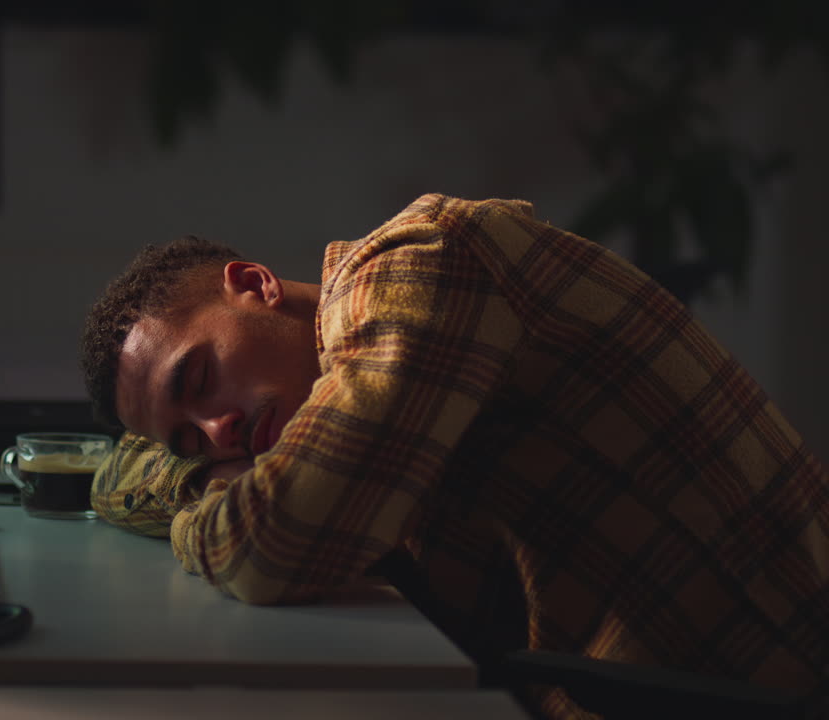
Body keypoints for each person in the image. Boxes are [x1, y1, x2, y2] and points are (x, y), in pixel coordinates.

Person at [78, 194, 828, 718]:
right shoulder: (332, 396)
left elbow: (272, 541)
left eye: (200, 380)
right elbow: (119, 475)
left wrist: (203, 494)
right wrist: (210, 477)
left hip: (769, 678)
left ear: (254, 285)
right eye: (184, 441)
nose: (216, 433)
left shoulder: (422, 261)